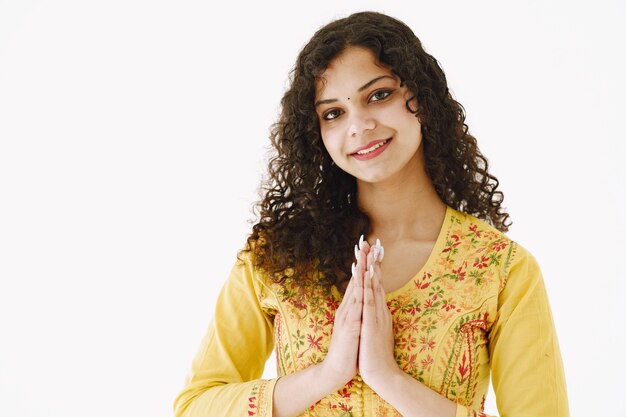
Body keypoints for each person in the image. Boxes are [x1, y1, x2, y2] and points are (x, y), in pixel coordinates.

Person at [173, 11, 569, 417]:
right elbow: (196, 406)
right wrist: (329, 373)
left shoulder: (500, 270)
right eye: (333, 113)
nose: (358, 126)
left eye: (378, 95)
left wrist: (387, 377)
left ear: (422, 99)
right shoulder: (276, 260)